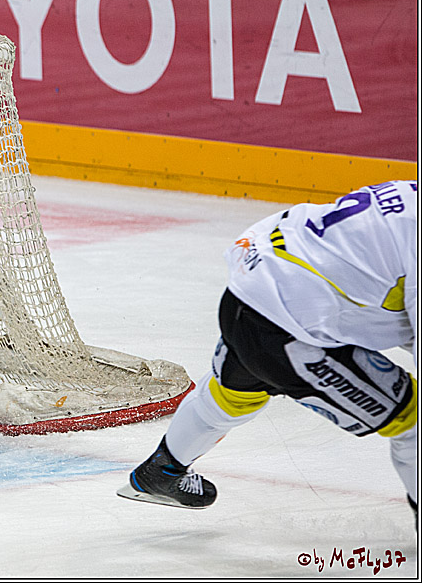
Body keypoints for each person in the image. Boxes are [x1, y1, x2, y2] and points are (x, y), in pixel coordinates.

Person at [117, 180, 417, 527]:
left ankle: (162, 471)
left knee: (235, 395)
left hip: (248, 294)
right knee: (412, 419)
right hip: (285, 327)